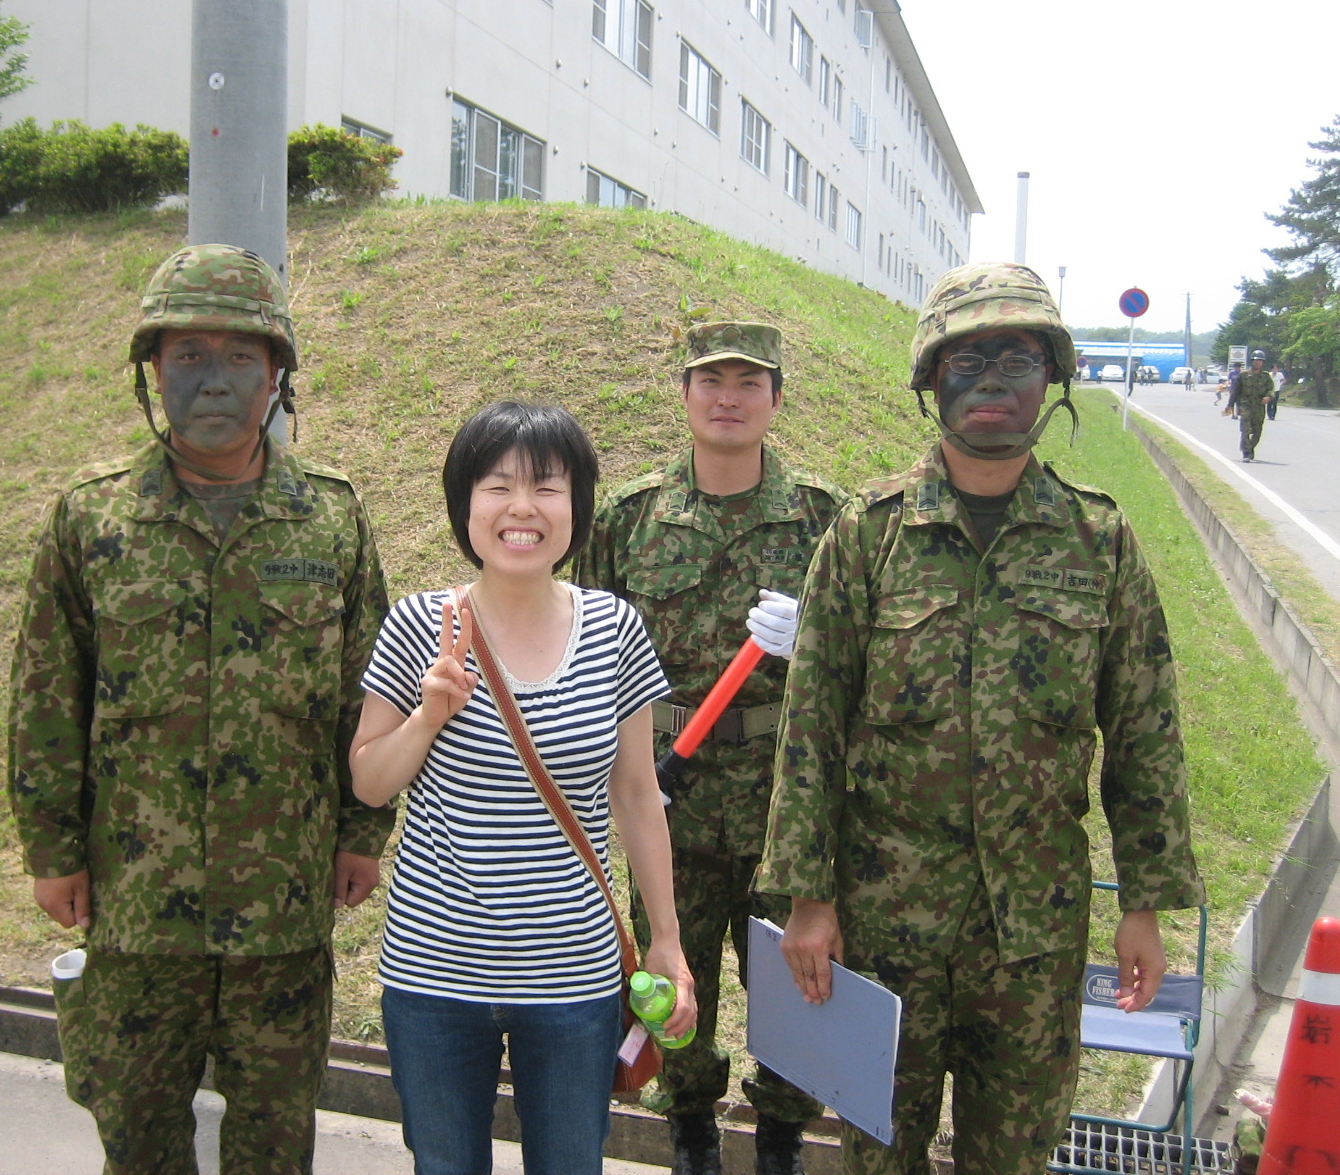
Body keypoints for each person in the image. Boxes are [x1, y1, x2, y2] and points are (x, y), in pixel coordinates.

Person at [759, 262, 1204, 1175]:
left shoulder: (1100, 541)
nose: (993, 380)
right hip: (887, 932)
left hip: (1033, 939)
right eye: (966, 359)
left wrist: (1146, 909)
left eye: (1018, 356)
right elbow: (811, 729)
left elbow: (1145, 733)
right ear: (930, 380)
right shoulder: (868, 535)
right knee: (879, 1159)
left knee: (1013, 1162)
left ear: (1052, 380)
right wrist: (808, 898)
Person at [7, 243, 394, 1175]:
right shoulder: (90, 520)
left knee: (274, 1147)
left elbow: (363, 693)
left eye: (239, 358)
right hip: (138, 908)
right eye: (188, 357)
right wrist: (52, 851)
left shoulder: (332, 520)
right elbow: (46, 698)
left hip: (285, 911)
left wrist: (358, 834)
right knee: (138, 1144)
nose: (212, 381)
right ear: (152, 370)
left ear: (277, 378)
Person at [350, 400, 696, 1175]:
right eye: (497, 484)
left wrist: (667, 941)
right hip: (435, 974)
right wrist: (427, 714)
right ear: (463, 503)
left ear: (577, 507)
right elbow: (369, 782)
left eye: (547, 486)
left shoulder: (614, 630)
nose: (521, 508)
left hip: (574, 978)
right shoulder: (417, 626)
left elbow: (639, 795)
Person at [573, 321, 846, 1175]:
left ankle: (780, 1145)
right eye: (711, 380)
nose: (729, 397)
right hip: (668, 791)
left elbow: (869, 662)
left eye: (749, 381)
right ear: (683, 393)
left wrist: (819, 642)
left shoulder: (829, 521)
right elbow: (583, 645)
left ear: (776, 396)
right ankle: (690, 1136)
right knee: (673, 977)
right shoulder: (630, 517)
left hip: (783, 797)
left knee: (795, 986)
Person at [1226, 349, 1274, 461]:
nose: (1257, 363)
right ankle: (1246, 452)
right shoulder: (1243, 375)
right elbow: (1235, 391)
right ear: (1252, 361)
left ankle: (1251, 447)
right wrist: (1230, 405)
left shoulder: (1266, 377)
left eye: (1260, 361)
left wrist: (1268, 397)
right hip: (1245, 406)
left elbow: (1271, 390)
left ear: (1263, 363)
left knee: (1257, 432)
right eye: (1255, 360)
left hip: (1259, 407)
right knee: (1245, 429)